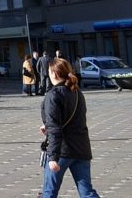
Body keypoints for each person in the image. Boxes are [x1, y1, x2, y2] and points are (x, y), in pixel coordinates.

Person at [39, 58, 102, 198]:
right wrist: (47, 125)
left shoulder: (53, 95)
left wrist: (53, 157)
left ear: (54, 74)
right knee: (87, 192)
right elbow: (76, 119)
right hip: (81, 148)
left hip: (62, 150)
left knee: (49, 192)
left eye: (49, 71)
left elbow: (55, 128)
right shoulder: (77, 92)